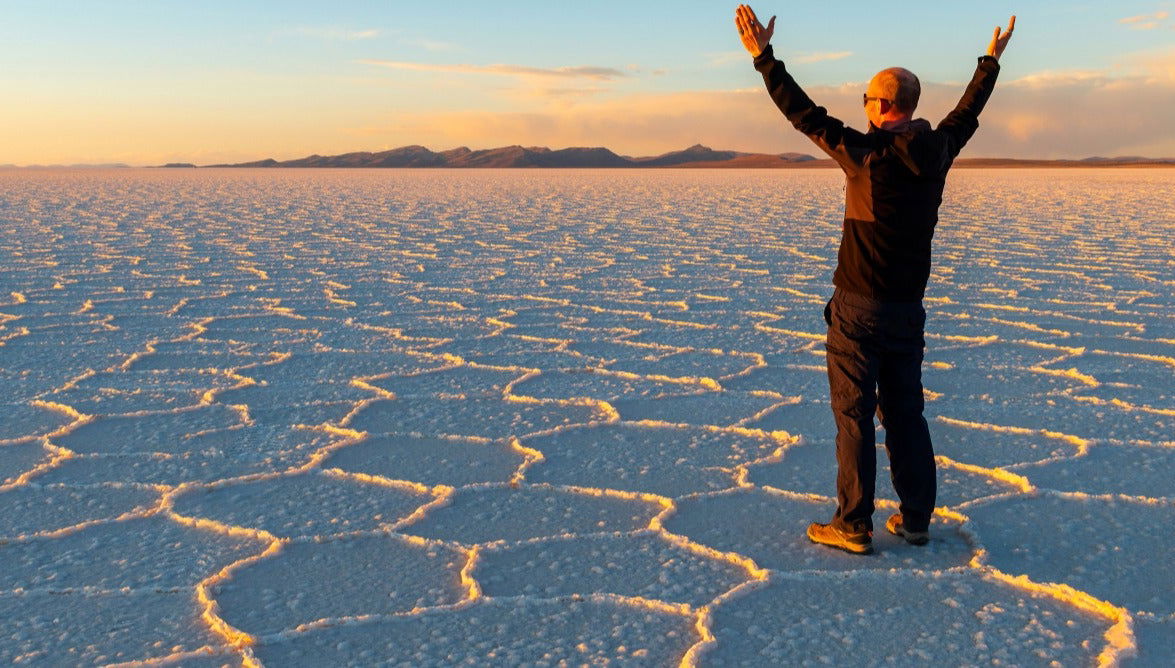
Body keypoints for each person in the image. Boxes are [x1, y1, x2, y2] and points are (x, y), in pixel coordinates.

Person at [734, 5, 1015, 555]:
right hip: (908, 310)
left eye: (866, 99)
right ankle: (915, 520)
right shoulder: (937, 151)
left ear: (883, 106)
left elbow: (805, 116)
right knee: (906, 413)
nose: (861, 107)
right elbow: (966, 113)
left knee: (854, 413)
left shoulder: (866, 156)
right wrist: (990, 63)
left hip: (859, 311)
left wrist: (764, 59)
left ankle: (854, 523)